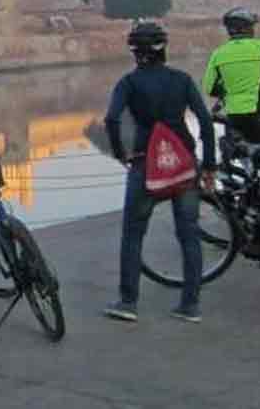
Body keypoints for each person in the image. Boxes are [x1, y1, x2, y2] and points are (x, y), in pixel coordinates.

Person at [103, 22, 217, 323]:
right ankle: (190, 305)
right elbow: (205, 122)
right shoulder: (181, 80)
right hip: (183, 165)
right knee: (189, 234)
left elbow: (112, 120)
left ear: (134, 52)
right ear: (163, 49)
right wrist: (210, 166)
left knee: (133, 234)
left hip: (144, 163)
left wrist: (120, 153)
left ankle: (128, 303)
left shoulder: (128, 83)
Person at [202, 7, 260, 144]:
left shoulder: (218, 54)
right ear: (246, 28)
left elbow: (208, 87)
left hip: (232, 116)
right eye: (251, 26)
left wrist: (225, 92)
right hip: (259, 113)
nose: (253, 29)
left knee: (236, 152)